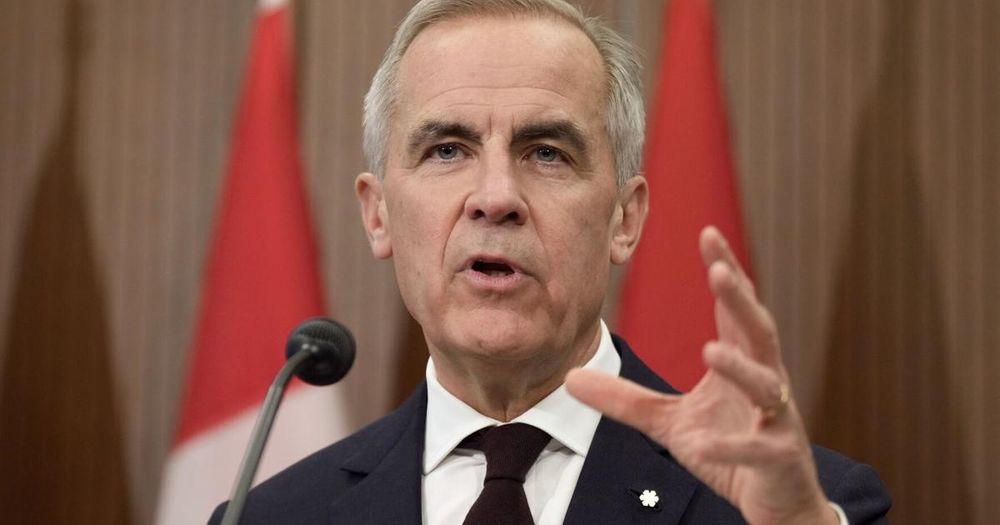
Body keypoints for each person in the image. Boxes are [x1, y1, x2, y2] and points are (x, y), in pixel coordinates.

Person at [211, 0, 891, 523]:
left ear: (625, 218)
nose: (496, 197)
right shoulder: (268, 517)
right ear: (378, 213)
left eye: (546, 153)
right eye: (447, 150)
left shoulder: (801, 507)